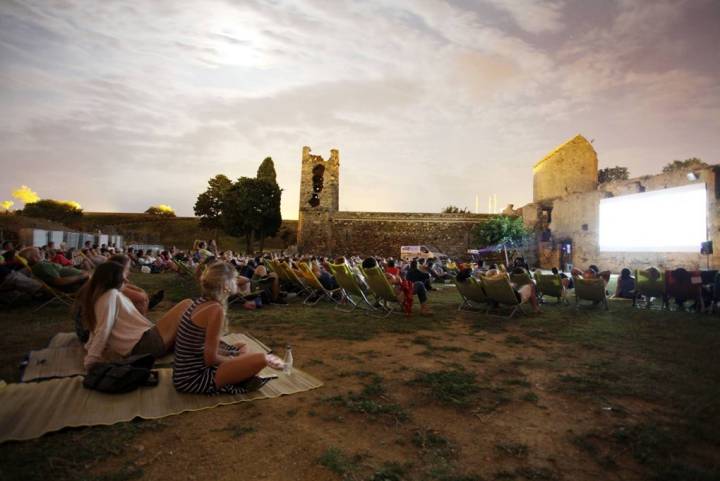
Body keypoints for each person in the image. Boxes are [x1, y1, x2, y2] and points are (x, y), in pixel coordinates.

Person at [173, 261, 285, 394]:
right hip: (194, 378)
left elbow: (204, 347)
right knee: (262, 358)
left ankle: (241, 372)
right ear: (226, 284)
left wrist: (235, 357)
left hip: (185, 372)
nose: (237, 281)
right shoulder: (215, 309)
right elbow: (210, 359)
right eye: (235, 278)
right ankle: (242, 375)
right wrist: (235, 360)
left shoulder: (202, 301)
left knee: (241, 346)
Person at [80, 262, 191, 369]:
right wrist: (91, 360)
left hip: (141, 343)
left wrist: (89, 346)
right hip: (144, 344)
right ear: (113, 279)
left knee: (183, 334)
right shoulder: (110, 295)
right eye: (123, 278)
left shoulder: (101, 296)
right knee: (187, 303)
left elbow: (96, 326)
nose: (126, 280)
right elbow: (103, 329)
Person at [20, 247, 89, 292]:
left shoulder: (40, 265)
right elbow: (59, 282)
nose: (42, 253)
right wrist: (80, 276)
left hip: (80, 280)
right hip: (77, 284)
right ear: (34, 258)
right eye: (39, 252)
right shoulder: (41, 266)